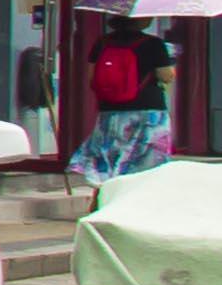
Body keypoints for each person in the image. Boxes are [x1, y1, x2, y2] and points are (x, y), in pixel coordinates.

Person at [67, 19, 174, 180]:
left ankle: (105, 191)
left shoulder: (102, 43)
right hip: (148, 111)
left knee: (109, 158)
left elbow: (92, 78)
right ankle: (136, 195)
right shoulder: (154, 44)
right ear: (141, 20)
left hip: (110, 111)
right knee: (147, 163)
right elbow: (166, 76)